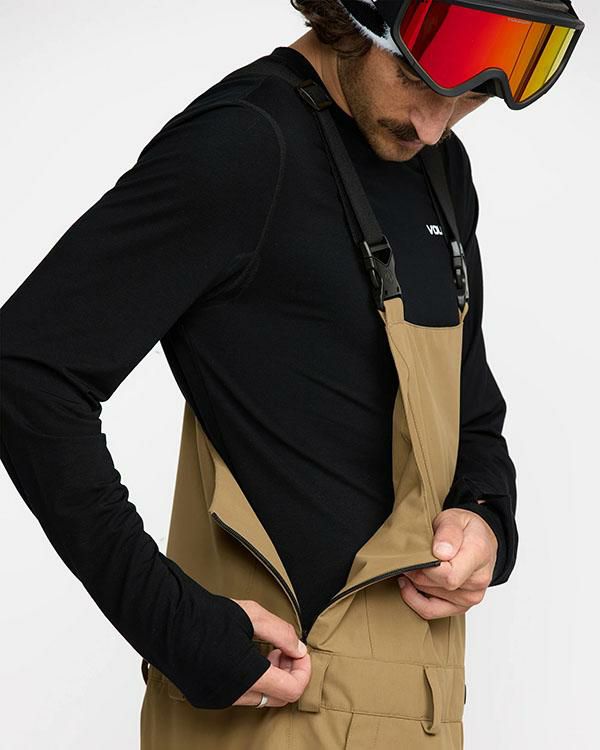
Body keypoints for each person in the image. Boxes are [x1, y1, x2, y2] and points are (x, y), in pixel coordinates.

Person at [0, 0, 584, 747]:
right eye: (417, 76)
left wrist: (485, 512)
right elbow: (29, 369)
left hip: (425, 709)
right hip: (276, 711)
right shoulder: (245, 143)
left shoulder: (441, 169)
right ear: (352, 13)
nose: (434, 125)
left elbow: (468, 408)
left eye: (469, 97)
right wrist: (171, 623)